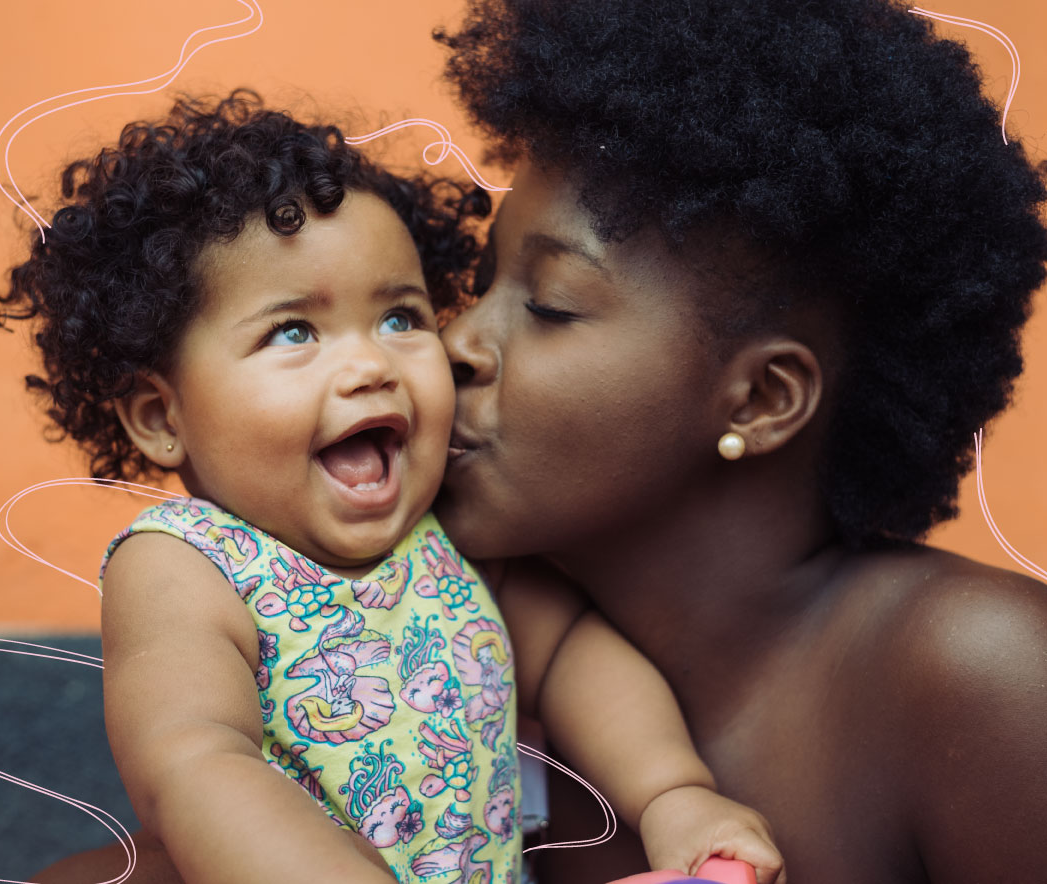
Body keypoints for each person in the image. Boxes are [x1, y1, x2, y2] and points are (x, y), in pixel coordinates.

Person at [0, 92, 785, 883]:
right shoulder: (186, 567)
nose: (372, 365)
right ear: (162, 417)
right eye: (294, 332)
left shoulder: (443, 539)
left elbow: (574, 658)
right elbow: (196, 759)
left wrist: (672, 792)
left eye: (402, 319)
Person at [428, 1, 1047, 882]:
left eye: (549, 305)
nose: (454, 343)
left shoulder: (983, 671)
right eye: (482, 283)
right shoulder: (451, 663)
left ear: (759, 399)